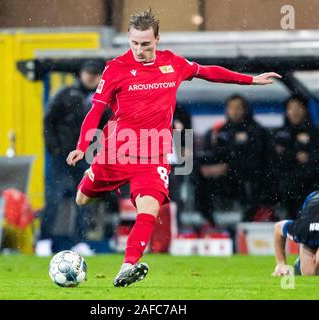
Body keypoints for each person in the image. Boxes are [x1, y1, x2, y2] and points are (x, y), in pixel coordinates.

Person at [67, 10, 281, 287]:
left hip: (154, 155)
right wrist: (83, 146)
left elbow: (208, 72)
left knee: (149, 210)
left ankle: (127, 265)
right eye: (134, 43)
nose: (139, 50)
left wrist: (250, 79)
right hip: (116, 151)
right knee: (82, 199)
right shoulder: (115, 68)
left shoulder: (172, 63)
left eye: (146, 44)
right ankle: (93, 181)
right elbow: (96, 111)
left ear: (157, 38)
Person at [39, 60, 105, 256]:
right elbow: (48, 121)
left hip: (86, 157)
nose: (91, 77)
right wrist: (55, 148)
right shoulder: (65, 94)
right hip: (62, 157)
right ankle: (44, 239)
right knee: (53, 199)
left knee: (85, 200)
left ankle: (80, 241)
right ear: (81, 73)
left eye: (95, 73)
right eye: (88, 72)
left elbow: (110, 125)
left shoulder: (104, 99)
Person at [195, 94, 269, 224]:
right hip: (223, 179)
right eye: (231, 108)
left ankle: (248, 221)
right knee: (196, 173)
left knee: (252, 182)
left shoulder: (256, 131)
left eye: (238, 108)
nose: (234, 112)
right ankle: (208, 221)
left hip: (247, 178)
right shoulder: (218, 131)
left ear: (245, 110)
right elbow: (211, 154)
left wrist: (228, 166)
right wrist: (209, 168)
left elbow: (255, 159)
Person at [269, 94, 319, 218]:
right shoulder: (279, 133)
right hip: (285, 187)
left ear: (305, 110)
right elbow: (275, 159)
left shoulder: (314, 133)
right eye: (291, 108)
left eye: (298, 108)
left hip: (309, 185)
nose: (295, 112)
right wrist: (295, 156)